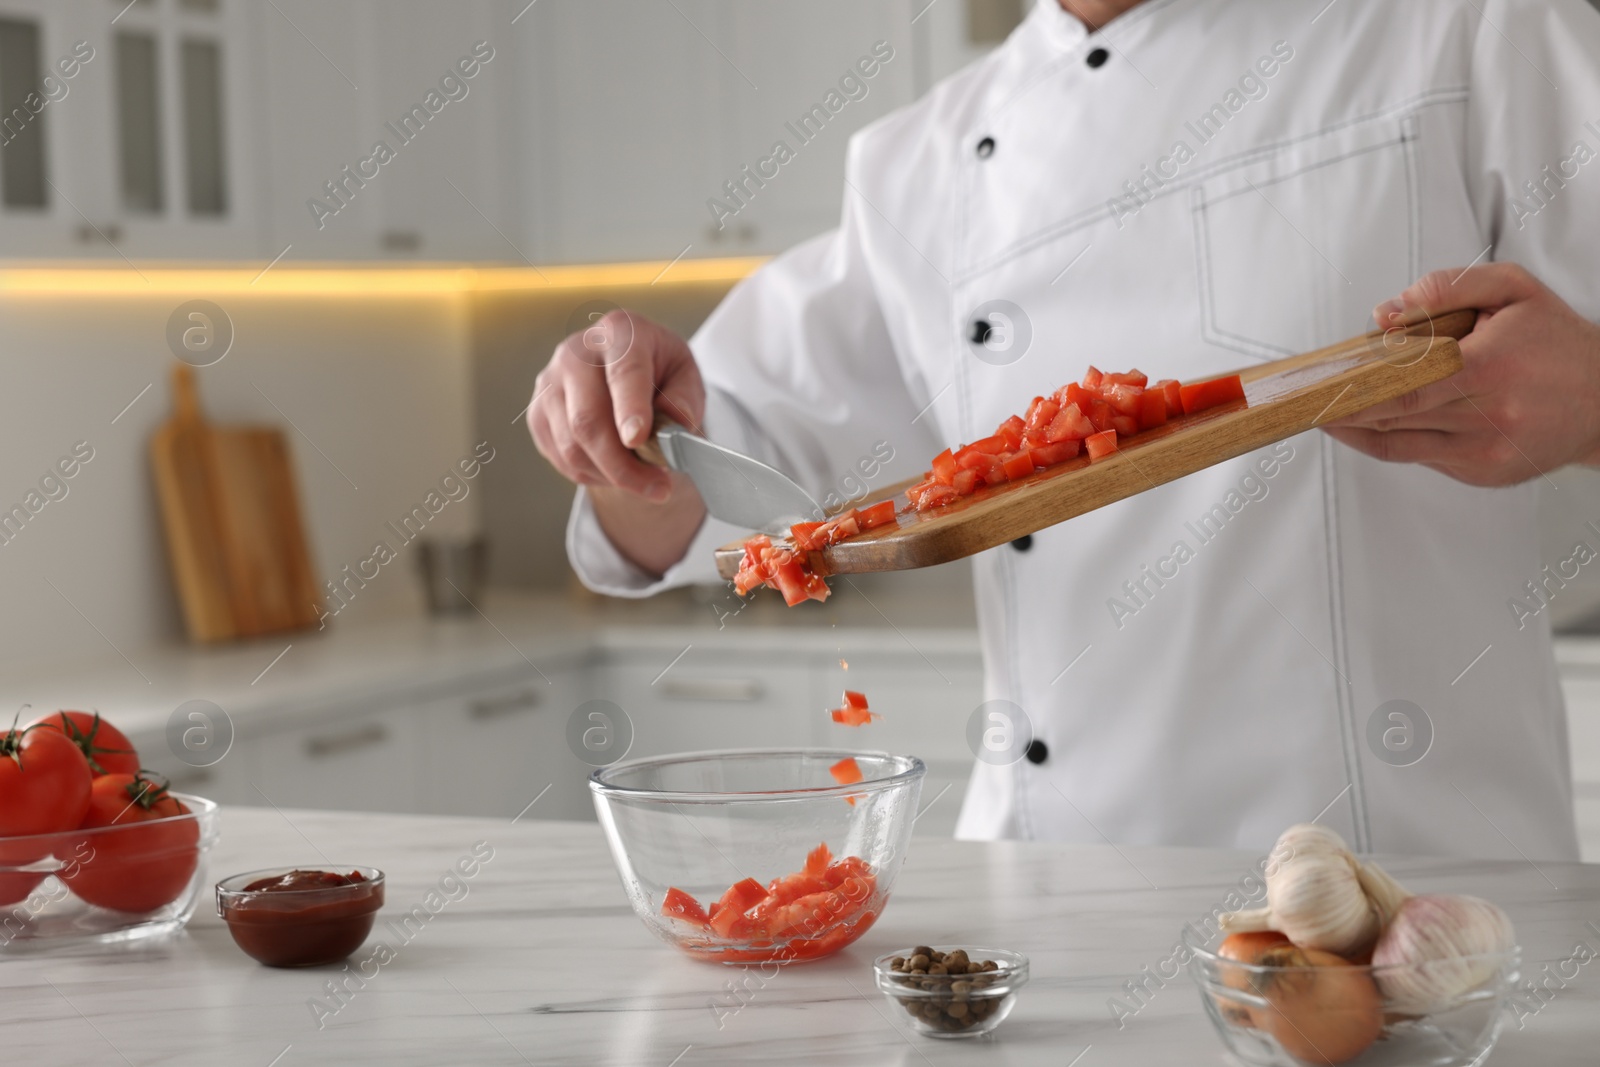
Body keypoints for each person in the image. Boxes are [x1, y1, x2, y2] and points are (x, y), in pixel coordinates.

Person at [530, 0, 1600, 861]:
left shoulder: (1474, 27)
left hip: (1411, 896)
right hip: (1050, 892)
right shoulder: (915, 163)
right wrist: (616, 427)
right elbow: (695, 491)